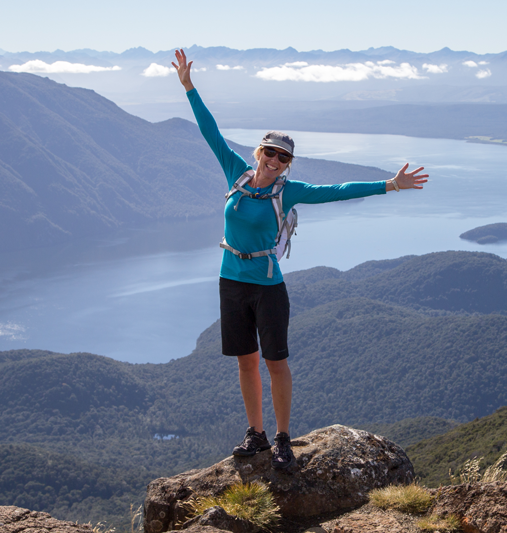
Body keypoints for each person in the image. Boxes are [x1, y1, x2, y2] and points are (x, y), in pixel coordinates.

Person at [172, 49, 428, 470]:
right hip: (230, 279)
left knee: (275, 361)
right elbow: (209, 131)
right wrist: (188, 87)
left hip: (268, 286)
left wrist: (391, 185)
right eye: (270, 152)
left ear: (288, 164)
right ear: (258, 152)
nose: (274, 161)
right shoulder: (234, 170)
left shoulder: (288, 190)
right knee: (245, 360)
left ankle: (283, 438)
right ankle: (255, 435)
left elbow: (339, 189)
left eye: (283, 157)